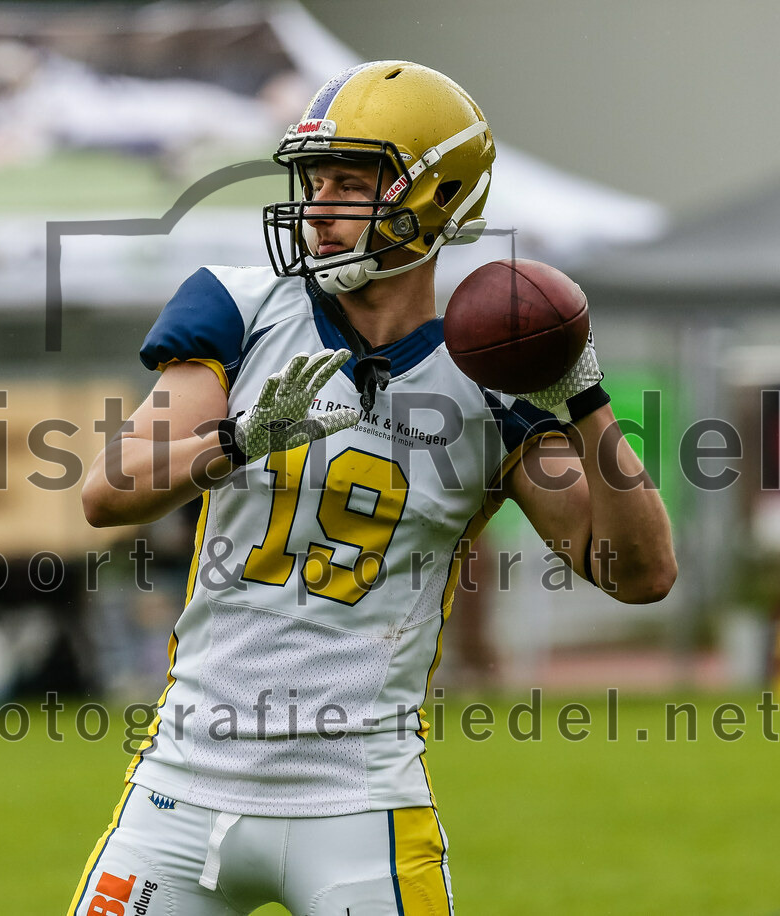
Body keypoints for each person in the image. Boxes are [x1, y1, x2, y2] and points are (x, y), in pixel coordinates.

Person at [70, 60, 676, 916]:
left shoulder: (490, 385)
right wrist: (246, 439)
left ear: (435, 199)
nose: (317, 210)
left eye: (349, 184)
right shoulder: (240, 310)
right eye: (314, 182)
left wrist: (583, 397)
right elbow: (108, 493)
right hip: (183, 784)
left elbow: (639, 573)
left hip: (357, 802)